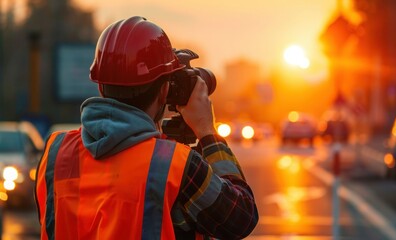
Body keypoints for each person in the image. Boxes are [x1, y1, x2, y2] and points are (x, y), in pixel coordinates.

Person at [35, 16, 258, 240]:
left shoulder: (56, 153)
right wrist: (207, 133)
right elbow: (241, 217)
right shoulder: (174, 165)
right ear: (163, 92)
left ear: (101, 88)